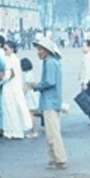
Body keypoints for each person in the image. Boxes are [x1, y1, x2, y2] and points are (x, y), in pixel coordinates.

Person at [28, 36, 68, 169]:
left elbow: (50, 82)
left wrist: (36, 86)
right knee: (51, 133)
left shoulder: (50, 63)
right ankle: (53, 159)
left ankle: (60, 159)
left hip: (50, 101)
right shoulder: (51, 62)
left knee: (53, 133)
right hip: (51, 101)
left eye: (40, 49)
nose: (38, 52)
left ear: (47, 50)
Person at [0, 41, 32, 139]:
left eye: (6, 49)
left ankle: (14, 131)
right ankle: (13, 131)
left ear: (12, 49)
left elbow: (9, 75)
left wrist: (0, 80)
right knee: (13, 109)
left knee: (11, 109)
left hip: (10, 87)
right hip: (14, 86)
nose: (5, 51)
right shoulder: (13, 59)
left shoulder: (11, 60)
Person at [20, 57, 40, 139]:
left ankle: (34, 131)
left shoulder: (27, 75)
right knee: (32, 113)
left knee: (30, 114)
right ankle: (33, 131)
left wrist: (22, 94)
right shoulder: (30, 73)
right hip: (33, 95)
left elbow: (27, 86)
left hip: (29, 96)